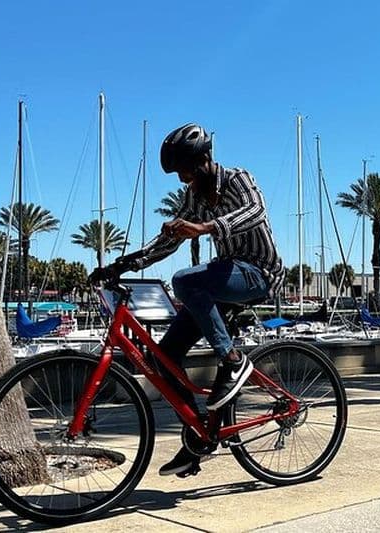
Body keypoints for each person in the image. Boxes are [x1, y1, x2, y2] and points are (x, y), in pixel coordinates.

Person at [91, 123, 284, 478]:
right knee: (163, 360)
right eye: (179, 173)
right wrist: (124, 263)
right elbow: (169, 242)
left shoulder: (239, 178)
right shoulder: (195, 197)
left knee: (185, 280)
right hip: (224, 281)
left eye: (187, 169)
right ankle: (200, 435)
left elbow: (255, 212)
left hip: (259, 273)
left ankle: (232, 360)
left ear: (206, 158)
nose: (183, 179)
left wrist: (206, 228)